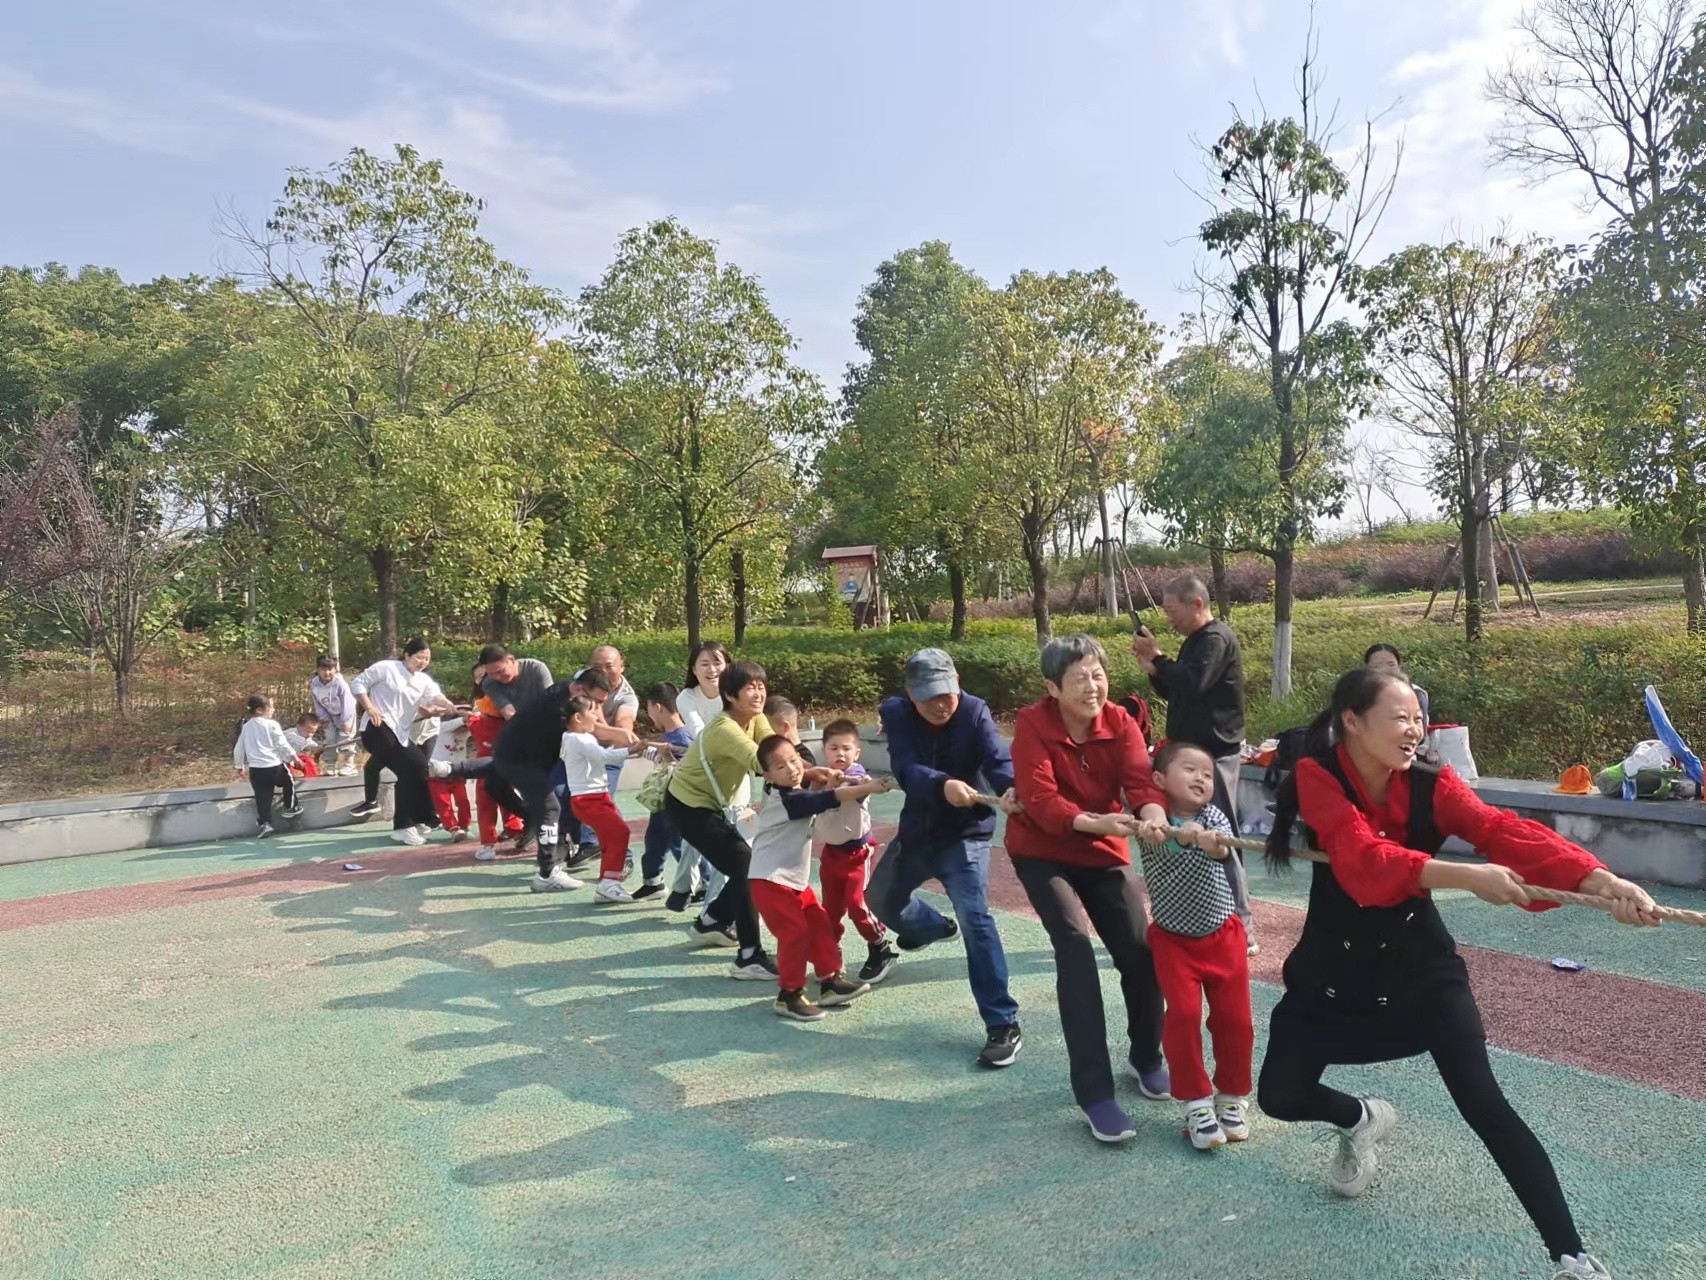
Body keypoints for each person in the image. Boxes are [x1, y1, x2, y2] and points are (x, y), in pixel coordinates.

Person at [1257, 667, 1660, 1280]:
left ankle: (1572, 1257)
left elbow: (1500, 830)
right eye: (1399, 717)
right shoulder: (1319, 776)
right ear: (1352, 722)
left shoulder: (1432, 782)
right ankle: (1360, 1118)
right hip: (1333, 973)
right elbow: (1363, 862)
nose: (1413, 730)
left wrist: (1600, 881)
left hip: (1422, 971)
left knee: (1485, 1103)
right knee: (1280, 1096)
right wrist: (1466, 876)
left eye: (1418, 718)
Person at [1006, 635, 1170, 1142]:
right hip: (1042, 849)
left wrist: (1152, 813)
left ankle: (1146, 1056)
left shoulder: (1120, 721)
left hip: (1102, 850)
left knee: (1141, 952)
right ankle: (1095, 1093)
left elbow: (1140, 781)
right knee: (1074, 947)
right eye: (1080, 678)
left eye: (1098, 675)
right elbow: (1039, 799)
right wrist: (1096, 822)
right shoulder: (1032, 724)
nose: (1093, 686)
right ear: (1052, 687)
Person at [868, 648, 1024, 1069]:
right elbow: (905, 766)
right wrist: (942, 785)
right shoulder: (897, 713)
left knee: (975, 918)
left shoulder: (974, 712)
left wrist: (1010, 788)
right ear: (910, 693)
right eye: (928, 697)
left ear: (958, 685)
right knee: (879, 900)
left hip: (965, 835)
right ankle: (934, 927)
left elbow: (997, 758)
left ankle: (1002, 1022)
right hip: (918, 832)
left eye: (946, 694)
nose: (940, 705)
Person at [1137, 741, 1254, 1151]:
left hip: (1223, 937)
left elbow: (1221, 847)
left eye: (1207, 774)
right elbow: (1159, 841)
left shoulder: (1213, 816)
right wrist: (1182, 838)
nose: (1201, 778)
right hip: (1174, 943)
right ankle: (1197, 1103)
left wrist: (1207, 841)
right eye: (1189, 769)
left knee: (1235, 1020)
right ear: (1159, 779)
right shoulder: (1151, 822)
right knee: (1184, 1017)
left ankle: (1232, 1096)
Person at [1131, 575, 1256, 952]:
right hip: (1189, 752)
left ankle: (1241, 923)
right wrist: (1154, 669)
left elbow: (1194, 682)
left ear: (1197, 604)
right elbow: (1177, 689)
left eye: (1172, 610)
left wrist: (1159, 659)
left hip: (1213, 756)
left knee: (1220, 833)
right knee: (1189, 836)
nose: (1169, 618)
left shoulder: (1216, 638)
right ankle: (1200, 916)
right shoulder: (1196, 641)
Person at [748, 734, 889, 1019]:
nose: (791, 769)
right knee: (795, 933)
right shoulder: (788, 800)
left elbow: (814, 787)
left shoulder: (790, 789)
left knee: (819, 923)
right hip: (770, 880)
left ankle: (830, 981)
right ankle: (789, 995)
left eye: (793, 760)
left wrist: (823, 775)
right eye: (780, 766)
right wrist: (870, 787)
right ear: (767, 775)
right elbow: (828, 798)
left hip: (791, 880)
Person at [663, 659, 787, 979]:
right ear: (730, 695)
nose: (758, 693)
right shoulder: (724, 729)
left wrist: (802, 758)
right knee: (748, 867)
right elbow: (763, 762)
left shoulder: (755, 718)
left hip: (717, 806)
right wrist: (814, 774)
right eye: (750, 688)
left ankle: (713, 921)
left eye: (761, 686)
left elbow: (774, 748)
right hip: (688, 807)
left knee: (749, 865)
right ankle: (749, 957)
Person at [349, 639, 457, 846]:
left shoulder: (423, 680)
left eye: (427, 659)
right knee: (412, 768)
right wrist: (370, 707)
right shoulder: (386, 668)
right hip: (377, 728)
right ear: (407, 655)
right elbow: (357, 684)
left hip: (400, 734)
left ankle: (419, 818)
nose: (423, 662)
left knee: (420, 769)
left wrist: (446, 704)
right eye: (419, 657)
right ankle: (404, 826)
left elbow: (435, 696)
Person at [816, 718, 898, 986]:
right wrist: (822, 781)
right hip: (831, 855)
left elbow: (858, 790)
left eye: (846, 748)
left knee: (857, 904)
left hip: (856, 854)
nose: (840, 754)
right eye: (834, 748)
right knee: (829, 910)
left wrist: (856, 784)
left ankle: (880, 946)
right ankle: (831, 956)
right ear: (824, 751)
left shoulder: (858, 777)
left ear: (857, 752)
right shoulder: (819, 777)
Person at [666, 641, 736, 912]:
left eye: (717, 662)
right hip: (700, 773)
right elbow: (699, 732)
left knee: (723, 837)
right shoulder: (686, 697)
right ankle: (688, 889)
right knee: (699, 831)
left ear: (728, 665)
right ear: (693, 670)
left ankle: (702, 900)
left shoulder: (735, 693)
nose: (712, 669)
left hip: (732, 772)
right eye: (704, 664)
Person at [560, 694, 645, 903]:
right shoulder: (578, 739)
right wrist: (631, 750)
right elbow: (603, 757)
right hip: (590, 800)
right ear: (578, 718)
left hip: (595, 798)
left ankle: (608, 882)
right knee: (620, 833)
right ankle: (609, 883)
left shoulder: (576, 738)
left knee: (611, 837)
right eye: (592, 713)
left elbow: (598, 755)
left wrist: (619, 748)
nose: (597, 718)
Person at [635, 683, 694, 901]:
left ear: (657, 707)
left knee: (679, 844)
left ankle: (703, 884)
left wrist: (660, 753)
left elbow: (683, 769)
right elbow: (660, 758)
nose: (649, 714)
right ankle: (653, 882)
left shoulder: (683, 737)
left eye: (649, 708)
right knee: (655, 840)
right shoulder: (669, 737)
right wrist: (643, 748)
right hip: (664, 801)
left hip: (677, 801)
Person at [234, 694, 304, 837]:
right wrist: (295, 757)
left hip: (256, 770)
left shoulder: (246, 727)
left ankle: (265, 824)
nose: (273, 709)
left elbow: (239, 748)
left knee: (262, 798)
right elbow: (282, 744)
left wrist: (239, 765)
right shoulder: (272, 724)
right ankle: (290, 807)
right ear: (260, 710)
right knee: (289, 781)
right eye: (271, 707)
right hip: (274, 766)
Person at [308, 655, 358, 777]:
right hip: (329, 713)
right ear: (318, 669)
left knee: (345, 738)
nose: (327, 673)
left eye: (330, 669)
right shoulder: (315, 683)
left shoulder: (340, 684)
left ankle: (349, 764)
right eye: (323, 669)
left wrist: (345, 721)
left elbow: (348, 703)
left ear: (335, 669)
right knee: (330, 739)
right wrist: (323, 718)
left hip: (345, 713)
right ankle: (330, 765)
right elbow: (317, 703)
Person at [427, 716, 474, 841]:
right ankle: (453, 829)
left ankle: (464, 827)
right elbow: (451, 724)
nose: (465, 727)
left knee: (463, 801)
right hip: (438, 774)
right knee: (443, 804)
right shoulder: (441, 728)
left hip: (457, 773)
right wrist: (464, 718)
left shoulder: (467, 732)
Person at [1365, 643, 1431, 725]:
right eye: (1376, 666)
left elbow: (1421, 729)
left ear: (1399, 666)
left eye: (1391, 665)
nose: (1385, 669)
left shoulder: (1415, 692)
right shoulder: (1359, 693)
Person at [284, 713, 323, 779]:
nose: (310, 734)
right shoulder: (290, 734)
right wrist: (313, 748)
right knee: (287, 774)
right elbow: (301, 742)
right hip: (279, 761)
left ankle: (312, 778)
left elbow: (310, 743)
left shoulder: (305, 736)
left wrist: (318, 747)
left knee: (306, 760)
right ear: (298, 726)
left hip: (292, 758)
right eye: (307, 731)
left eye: (313, 732)